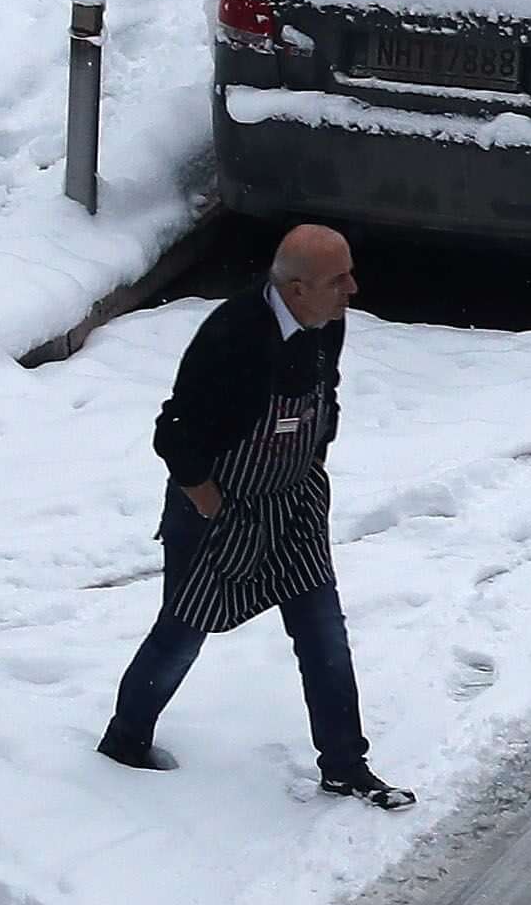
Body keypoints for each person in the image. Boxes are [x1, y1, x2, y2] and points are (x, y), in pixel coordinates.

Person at [101, 222, 411, 807]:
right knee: (182, 633)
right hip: (220, 510)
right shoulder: (232, 338)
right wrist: (208, 499)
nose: (354, 288)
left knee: (323, 633)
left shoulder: (326, 322)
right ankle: (124, 745)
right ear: (296, 290)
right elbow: (174, 433)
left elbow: (326, 390)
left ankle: (345, 764)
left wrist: (315, 449)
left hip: (293, 504)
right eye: (338, 278)